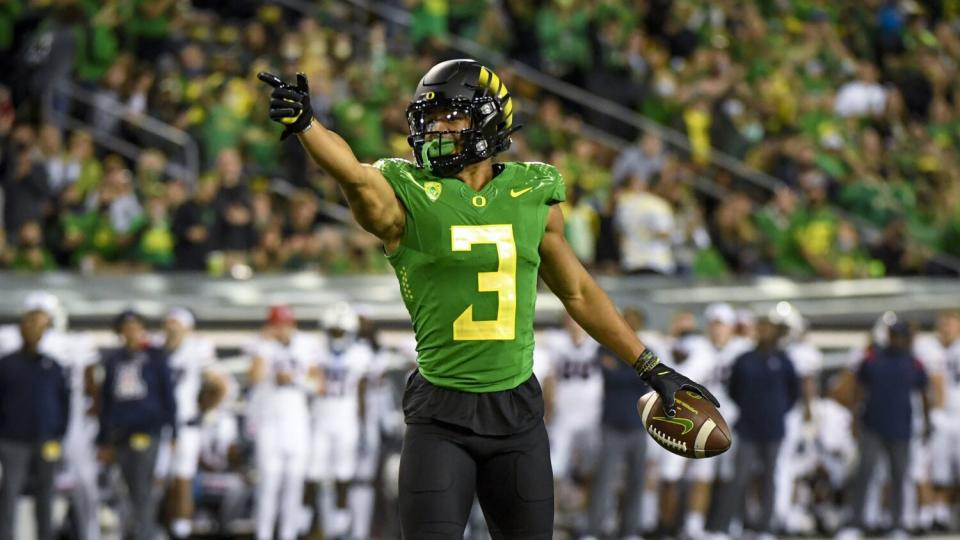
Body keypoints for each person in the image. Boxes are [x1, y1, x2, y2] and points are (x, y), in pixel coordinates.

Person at [258, 59, 714, 538]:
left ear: (489, 120)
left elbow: (578, 292)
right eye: (430, 117)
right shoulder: (407, 191)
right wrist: (308, 125)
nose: (437, 127)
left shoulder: (531, 190)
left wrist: (651, 367)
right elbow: (353, 174)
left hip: (516, 413)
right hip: (440, 414)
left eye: (452, 115)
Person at [836, 321, 929, 540]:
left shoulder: (913, 362)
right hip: (872, 425)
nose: (896, 340)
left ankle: (897, 524)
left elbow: (924, 394)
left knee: (898, 476)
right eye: (893, 335)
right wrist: (854, 419)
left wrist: (926, 422)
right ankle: (856, 522)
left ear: (907, 338)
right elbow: (858, 389)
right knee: (864, 474)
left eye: (900, 336)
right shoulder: (873, 358)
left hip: (901, 428)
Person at [713, 316, 799, 540]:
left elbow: (793, 393)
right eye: (760, 329)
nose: (763, 333)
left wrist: (776, 411)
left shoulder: (783, 359)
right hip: (748, 428)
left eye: (767, 329)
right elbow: (734, 390)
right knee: (739, 477)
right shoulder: (744, 359)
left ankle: (765, 528)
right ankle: (728, 526)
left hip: (773, 429)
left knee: (769, 478)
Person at [96, 309, 177, 540]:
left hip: (147, 430)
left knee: (143, 485)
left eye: (136, 326)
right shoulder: (114, 360)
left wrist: (173, 432)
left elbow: (167, 395)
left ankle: (145, 533)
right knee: (126, 486)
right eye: (127, 327)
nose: (131, 331)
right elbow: (107, 401)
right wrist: (103, 440)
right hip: (120, 432)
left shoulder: (155, 357)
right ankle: (134, 530)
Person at [246, 304, 320, 540]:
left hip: (296, 422)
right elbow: (255, 378)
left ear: (292, 325)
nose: (281, 330)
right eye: (276, 324)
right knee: (268, 481)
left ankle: (288, 534)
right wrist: (265, 347)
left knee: (294, 482)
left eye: (285, 324)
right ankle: (263, 534)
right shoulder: (261, 345)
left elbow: (318, 384)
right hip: (269, 421)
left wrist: (295, 378)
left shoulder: (306, 344)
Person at [0, 302, 69, 540]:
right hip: (12, 441)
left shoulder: (52, 366)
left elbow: (64, 404)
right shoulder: (6, 364)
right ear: (20, 329)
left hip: (46, 440)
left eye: (38, 327)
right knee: (9, 493)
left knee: (46, 495)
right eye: (29, 325)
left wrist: (58, 435)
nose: (32, 331)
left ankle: (46, 536)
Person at [306, 302, 373, 538]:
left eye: (340, 331)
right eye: (333, 331)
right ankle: (306, 522)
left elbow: (362, 392)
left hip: (345, 418)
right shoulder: (315, 352)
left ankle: (341, 523)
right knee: (312, 473)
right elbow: (308, 385)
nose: (336, 336)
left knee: (343, 474)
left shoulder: (360, 354)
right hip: (321, 417)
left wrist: (363, 424)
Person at [162, 307, 219, 539]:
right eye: (170, 323)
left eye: (178, 323)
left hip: (186, 423)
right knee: (157, 480)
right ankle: (157, 525)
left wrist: (203, 410)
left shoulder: (198, 347)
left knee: (183, 478)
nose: (173, 328)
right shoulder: (155, 347)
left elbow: (217, 384)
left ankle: (181, 529)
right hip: (160, 424)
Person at [538, 314, 601, 502]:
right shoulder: (556, 341)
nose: (574, 322)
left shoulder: (598, 343)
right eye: (570, 319)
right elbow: (549, 378)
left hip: (592, 415)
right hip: (563, 414)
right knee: (554, 467)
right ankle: (552, 516)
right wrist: (548, 407)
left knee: (590, 467)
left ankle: (584, 517)